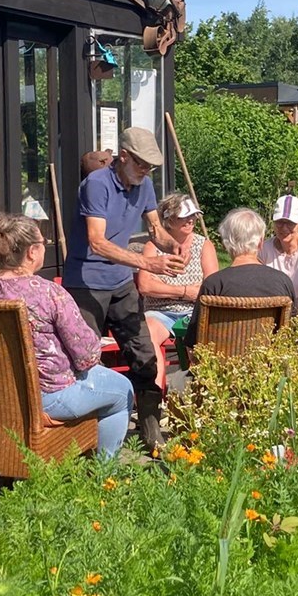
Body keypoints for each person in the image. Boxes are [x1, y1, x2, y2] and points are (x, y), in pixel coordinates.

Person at [0, 214, 135, 456]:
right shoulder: (49, 292)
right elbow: (86, 357)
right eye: (44, 243)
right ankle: (104, 478)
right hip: (46, 398)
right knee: (122, 390)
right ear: (32, 252)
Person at [62, 126, 183, 451]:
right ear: (124, 156)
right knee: (84, 361)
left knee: (145, 357)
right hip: (85, 284)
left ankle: (150, 433)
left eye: (151, 167)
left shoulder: (144, 185)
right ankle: (84, 441)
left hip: (120, 285)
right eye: (141, 164)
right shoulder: (96, 185)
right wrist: (147, 264)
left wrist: (171, 244)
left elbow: (155, 227)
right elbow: (97, 242)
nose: (146, 171)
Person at [135, 193, 219, 391]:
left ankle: (202, 396)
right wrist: (184, 291)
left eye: (193, 216)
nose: (191, 220)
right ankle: (155, 396)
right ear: (169, 219)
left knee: (201, 344)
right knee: (148, 337)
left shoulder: (203, 245)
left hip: (195, 312)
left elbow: (212, 286)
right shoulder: (152, 247)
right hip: (160, 311)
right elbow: (145, 286)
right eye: (184, 216)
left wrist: (162, 287)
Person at [183, 208, 296, 355]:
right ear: (261, 242)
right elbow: (292, 334)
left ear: (225, 244)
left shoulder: (214, 284)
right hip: (269, 371)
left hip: (222, 372)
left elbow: (194, 344)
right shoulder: (282, 281)